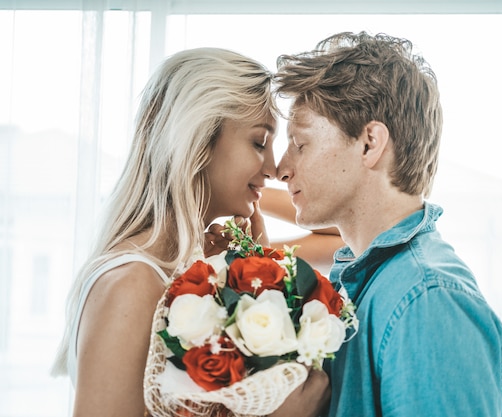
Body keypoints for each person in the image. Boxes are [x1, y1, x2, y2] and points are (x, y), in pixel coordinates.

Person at [51, 47, 329, 417]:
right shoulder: (132, 283)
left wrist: (262, 265)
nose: (274, 167)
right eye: (259, 142)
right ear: (198, 143)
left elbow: (338, 232)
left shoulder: (194, 268)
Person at [273, 31, 502, 417]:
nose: (281, 169)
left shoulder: (428, 302)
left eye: (300, 143)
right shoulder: (365, 284)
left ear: (369, 143)